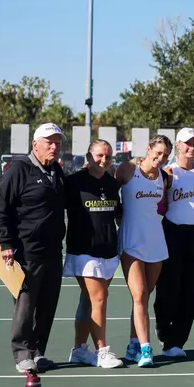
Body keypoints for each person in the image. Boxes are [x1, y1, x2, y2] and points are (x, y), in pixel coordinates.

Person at [0, 123, 67, 373]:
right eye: (49, 142)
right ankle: (22, 353)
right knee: (25, 305)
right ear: (35, 144)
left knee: (47, 306)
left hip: (53, 250)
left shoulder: (57, 171)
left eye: (57, 142)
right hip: (26, 252)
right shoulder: (19, 169)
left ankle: (38, 352)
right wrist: (6, 243)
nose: (54, 147)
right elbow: (0, 209)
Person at [65, 140, 124, 369]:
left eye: (108, 157)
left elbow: (117, 213)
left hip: (108, 251)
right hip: (84, 251)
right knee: (99, 299)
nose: (103, 160)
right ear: (88, 157)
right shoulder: (73, 182)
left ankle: (79, 350)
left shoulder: (112, 183)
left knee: (88, 301)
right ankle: (102, 351)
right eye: (99, 155)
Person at [154, 128, 194, 358]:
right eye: (187, 143)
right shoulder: (168, 172)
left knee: (190, 290)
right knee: (168, 287)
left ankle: (176, 342)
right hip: (172, 233)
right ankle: (162, 325)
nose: (191, 147)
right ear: (178, 145)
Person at [115, 135, 173, 367]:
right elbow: (108, 192)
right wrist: (117, 215)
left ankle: (133, 344)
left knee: (145, 295)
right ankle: (146, 349)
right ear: (148, 149)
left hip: (155, 240)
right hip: (131, 239)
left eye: (165, 156)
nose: (160, 158)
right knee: (138, 295)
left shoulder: (164, 177)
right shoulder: (128, 170)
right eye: (157, 153)